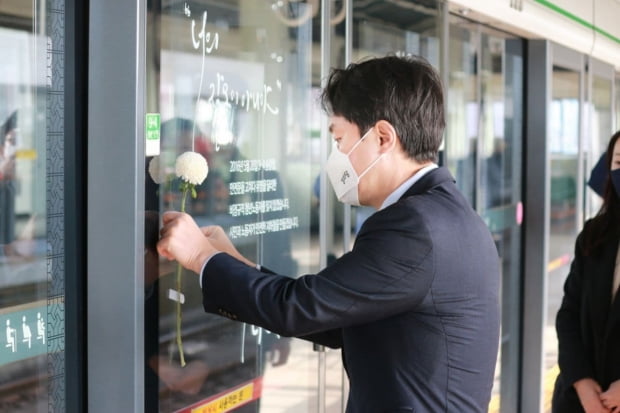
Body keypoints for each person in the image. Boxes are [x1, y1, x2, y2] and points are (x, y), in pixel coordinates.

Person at [158, 55, 500, 413]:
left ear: (382, 136)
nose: (336, 156)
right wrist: (235, 263)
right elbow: (336, 314)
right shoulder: (447, 214)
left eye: (340, 140)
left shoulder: (414, 228)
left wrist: (200, 257)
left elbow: (301, 308)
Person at [552, 130, 620, 413]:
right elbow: (568, 314)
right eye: (619, 162)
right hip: (579, 402)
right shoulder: (594, 235)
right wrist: (581, 381)